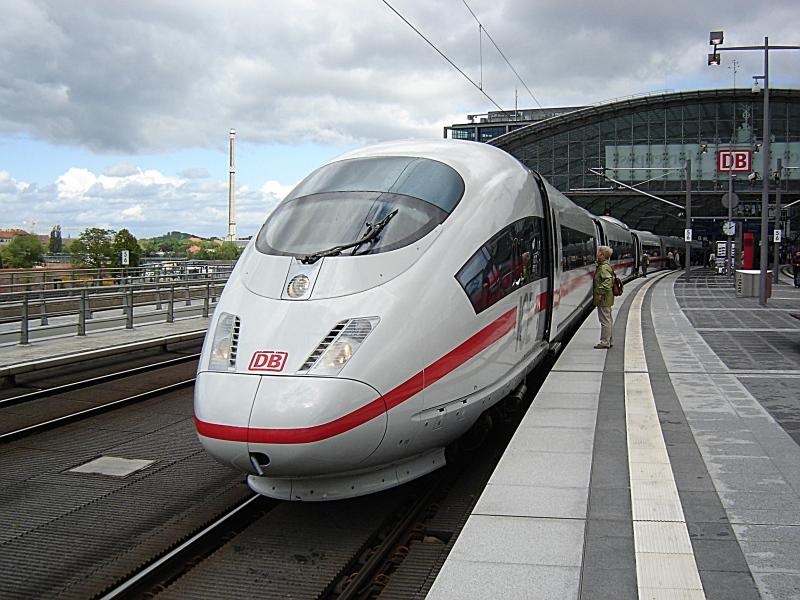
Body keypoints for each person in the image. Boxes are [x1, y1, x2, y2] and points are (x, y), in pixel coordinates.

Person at [593, 245, 614, 349]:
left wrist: (600, 293)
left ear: (602, 254)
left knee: (605, 320)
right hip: (606, 297)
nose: (596, 254)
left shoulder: (603, 268)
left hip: (603, 298)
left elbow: (607, 281)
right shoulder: (605, 266)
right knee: (608, 319)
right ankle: (609, 340)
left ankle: (605, 342)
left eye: (598, 252)